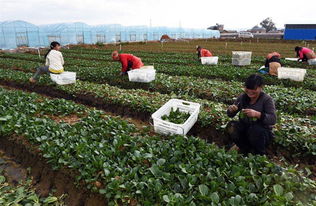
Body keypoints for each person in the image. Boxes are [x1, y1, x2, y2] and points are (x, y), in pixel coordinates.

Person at [226, 74, 276, 155]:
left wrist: (257, 114)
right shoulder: (242, 97)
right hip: (245, 128)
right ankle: (243, 148)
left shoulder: (267, 99)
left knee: (255, 130)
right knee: (232, 126)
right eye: (247, 88)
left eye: (253, 89)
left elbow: (273, 119)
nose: (250, 92)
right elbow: (230, 115)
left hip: (261, 133)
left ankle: (259, 154)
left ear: (261, 87)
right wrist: (231, 110)